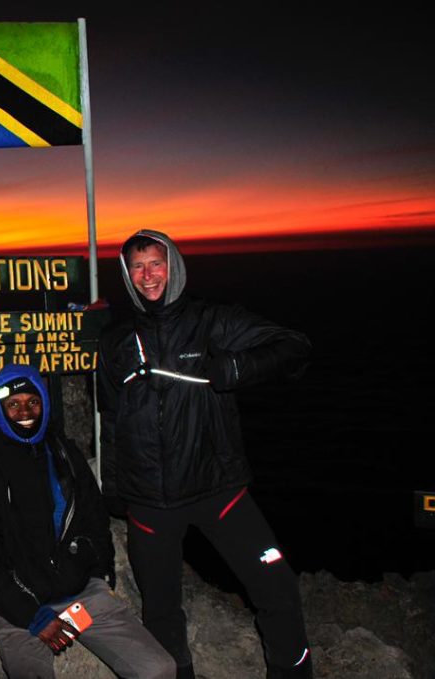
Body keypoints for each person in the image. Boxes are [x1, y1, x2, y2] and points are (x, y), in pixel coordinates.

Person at [96, 229, 313, 679]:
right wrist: (116, 490)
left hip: (219, 491)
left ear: (172, 264)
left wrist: (236, 367)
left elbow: (294, 347)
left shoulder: (212, 320)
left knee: (277, 587)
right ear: (126, 274)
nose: (148, 275)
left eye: (156, 263)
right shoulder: (117, 342)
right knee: (160, 611)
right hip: (150, 503)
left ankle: (292, 672)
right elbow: (110, 421)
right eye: (137, 267)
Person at [0, 363, 175, 679]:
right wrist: (28, 613)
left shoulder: (62, 450)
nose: (25, 411)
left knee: (159, 669)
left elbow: (95, 516)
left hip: (80, 594)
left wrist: (100, 572)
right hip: (18, 606)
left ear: (44, 402)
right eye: (13, 405)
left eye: (33, 402)